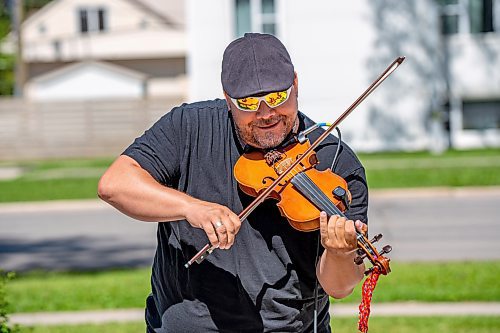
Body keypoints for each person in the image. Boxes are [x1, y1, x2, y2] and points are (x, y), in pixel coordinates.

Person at [98, 33, 368, 333]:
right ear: (228, 99)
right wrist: (191, 208)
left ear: (295, 84)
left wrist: (340, 251)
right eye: (249, 102)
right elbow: (115, 183)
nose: (266, 114)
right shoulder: (189, 127)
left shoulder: (335, 163)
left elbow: (340, 287)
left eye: (278, 97)